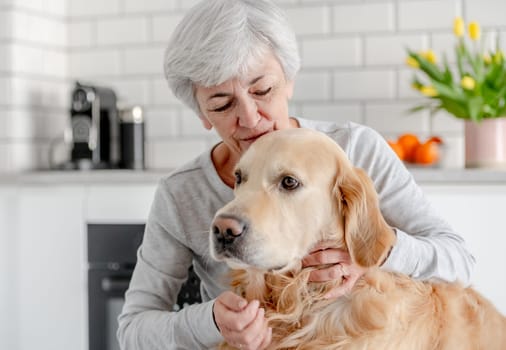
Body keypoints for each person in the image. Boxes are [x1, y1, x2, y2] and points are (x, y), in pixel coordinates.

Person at [117, 0, 475, 349]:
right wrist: (209, 322)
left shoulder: (355, 149)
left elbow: (458, 260)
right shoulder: (182, 194)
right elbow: (133, 329)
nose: (251, 118)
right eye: (222, 104)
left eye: (263, 90)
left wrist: (374, 254)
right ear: (202, 114)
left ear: (289, 80)